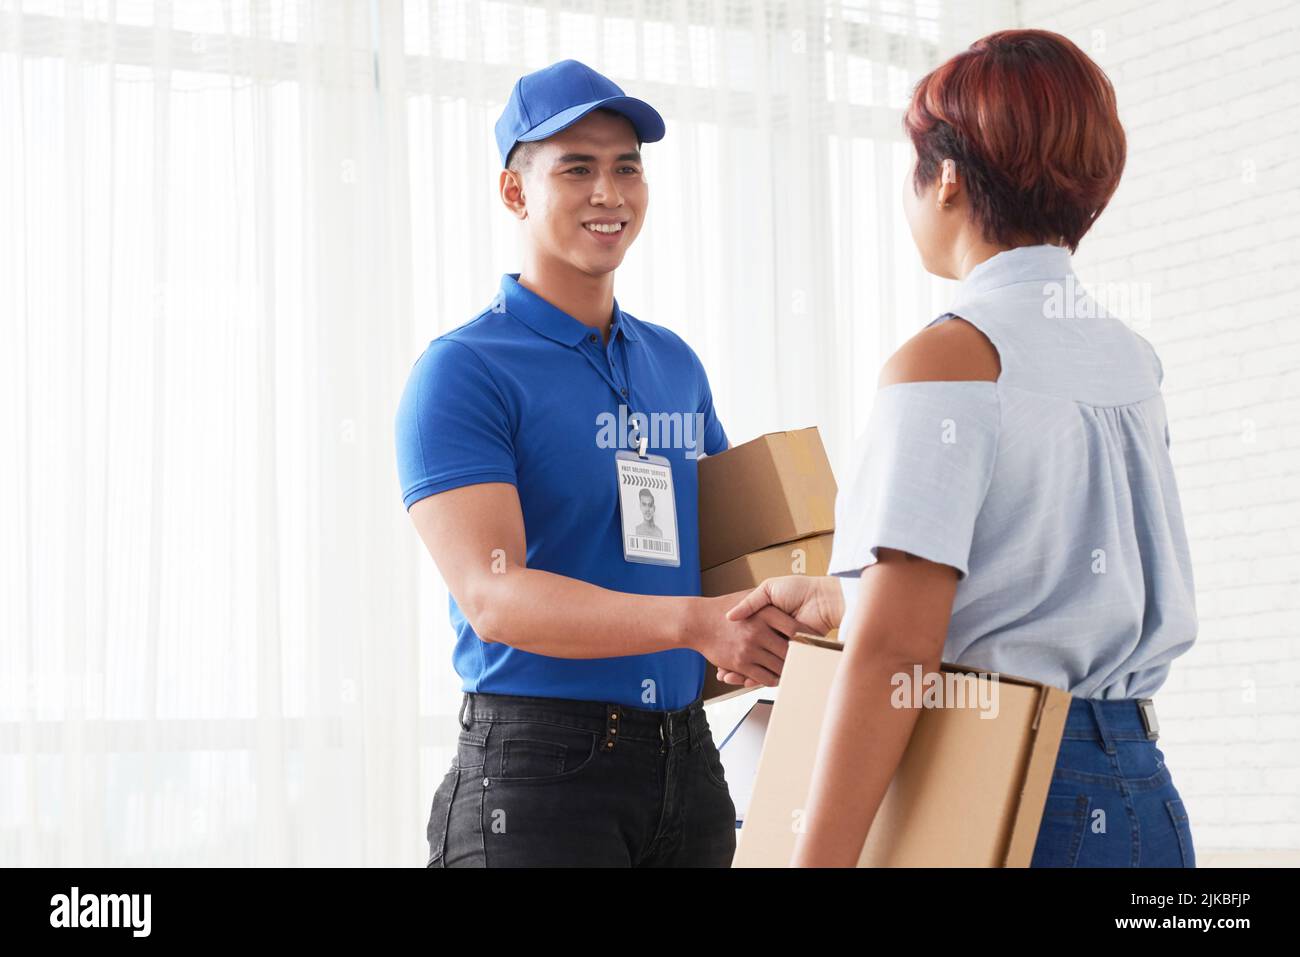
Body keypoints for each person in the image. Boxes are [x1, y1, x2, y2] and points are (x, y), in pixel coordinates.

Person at [724, 29, 1199, 867]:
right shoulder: (1130, 357)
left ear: (945, 177)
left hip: (1006, 783)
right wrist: (844, 596)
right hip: (1143, 790)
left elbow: (896, 654)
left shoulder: (947, 360)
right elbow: (1043, 583)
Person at [395, 59, 798, 867]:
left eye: (627, 167)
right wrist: (694, 623)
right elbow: (495, 596)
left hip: (690, 762)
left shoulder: (674, 363)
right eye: (576, 167)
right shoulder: (465, 369)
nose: (609, 193)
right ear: (515, 192)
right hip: (539, 775)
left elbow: (724, 552)